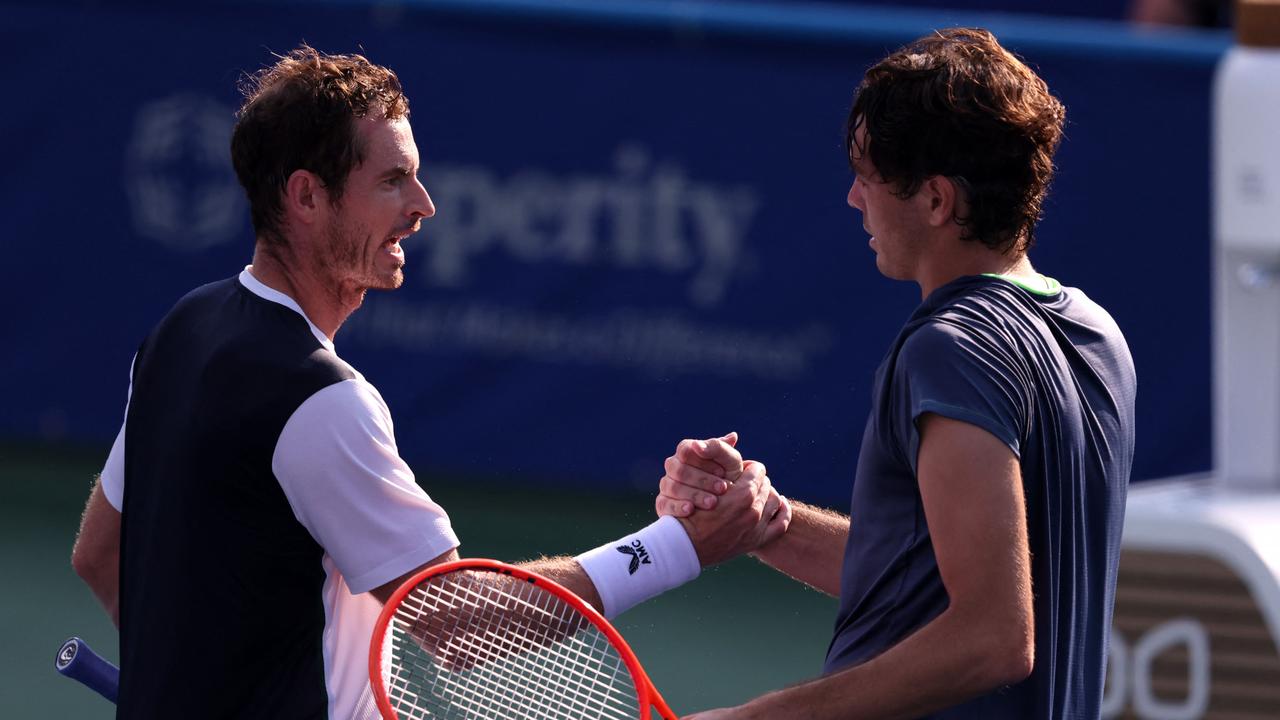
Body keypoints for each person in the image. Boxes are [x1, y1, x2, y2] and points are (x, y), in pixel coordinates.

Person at [70, 46, 788, 719]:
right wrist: (679, 547)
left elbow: (99, 556)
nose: (424, 203)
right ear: (306, 197)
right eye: (391, 181)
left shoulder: (181, 329)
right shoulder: (318, 401)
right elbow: (459, 624)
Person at [658, 28, 1136, 719]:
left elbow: (995, 638)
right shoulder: (1097, 334)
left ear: (938, 201)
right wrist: (770, 524)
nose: (855, 199)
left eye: (869, 175)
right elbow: (943, 575)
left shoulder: (949, 349)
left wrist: (753, 717)